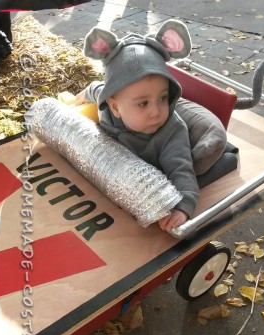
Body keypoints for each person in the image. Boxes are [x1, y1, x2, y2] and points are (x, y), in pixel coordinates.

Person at [75, 20, 231, 231]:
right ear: (115, 107)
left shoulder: (171, 132)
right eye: (143, 103)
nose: (156, 111)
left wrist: (183, 208)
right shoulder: (106, 102)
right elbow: (96, 89)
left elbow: (181, 171)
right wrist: (84, 95)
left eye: (163, 98)